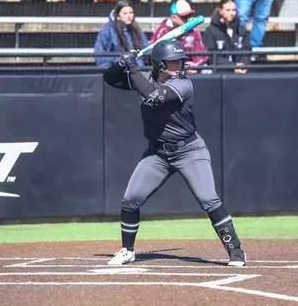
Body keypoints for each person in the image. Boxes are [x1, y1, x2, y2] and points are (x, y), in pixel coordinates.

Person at [102, 40, 247, 267]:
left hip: (189, 150)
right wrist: (122, 63)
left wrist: (132, 66)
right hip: (158, 153)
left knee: (209, 199)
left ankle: (236, 250)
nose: (178, 65)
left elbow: (155, 97)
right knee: (131, 199)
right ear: (159, 64)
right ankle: (127, 250)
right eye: (172, 62)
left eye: (180, 61)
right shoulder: (144, 79)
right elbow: (110, 79)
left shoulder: (183, 84)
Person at [150, 0, 208, 73]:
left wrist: (195, 67)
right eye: (184, 16)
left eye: (189, 16)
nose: (187, 19)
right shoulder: (162, 30)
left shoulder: (194, 31)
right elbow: (155, 55)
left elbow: (201, 54)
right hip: (166, 73)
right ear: (173, 17)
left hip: (191, 72)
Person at [94, 0, 149, 68]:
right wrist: (118, 63)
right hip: (115, 71)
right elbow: (100, 54)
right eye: (125, 13)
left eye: (131, 13)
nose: (129, 16)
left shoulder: (137, 30)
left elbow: (145, 49)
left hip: (136, 71)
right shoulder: (108, 30)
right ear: (118, 16)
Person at [203, 0, 251, 73]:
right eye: (228, 10)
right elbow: (211, 56)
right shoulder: (211, 30)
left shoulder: (242, 30)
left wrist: (243, 65)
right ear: (220, 11)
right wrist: (232, 66)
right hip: (219, 73)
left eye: (234, 10)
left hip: (241, 72)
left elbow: (247, 50)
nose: (232, 13)